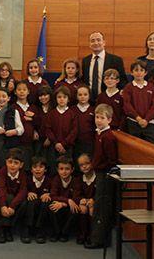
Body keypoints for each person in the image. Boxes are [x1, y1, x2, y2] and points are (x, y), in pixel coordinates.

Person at [85, 104, 118, 249]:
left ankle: (99, 240)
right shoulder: (99, 134)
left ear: (109, 120)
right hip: (99, 173)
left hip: (105, 175)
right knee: (98, 205)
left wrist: (102, 170)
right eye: (97, 117)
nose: (98, 120)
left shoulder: (108, 137)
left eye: (102, 118)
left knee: (102, 207)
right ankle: (96, 237)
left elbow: (111, 160)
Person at [81, 31, 127, 103]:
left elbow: (123, 80)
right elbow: (85, 80)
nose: (96, 43)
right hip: (89, 101)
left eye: (98, 40)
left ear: (104, 42)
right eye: (92, 41)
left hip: (108, 100)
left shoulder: (116, 60)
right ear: (89, 44)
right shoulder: (85, 61)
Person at [123, 60, 154, 143]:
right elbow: (127, 104)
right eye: (136, 70)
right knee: (135, 146)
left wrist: (146, 119)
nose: (139, 73)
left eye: (141, 70)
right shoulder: (128, 87)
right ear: (131, 73)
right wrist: (138, 118)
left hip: (148, 122)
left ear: (145, 73)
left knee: (151, 146)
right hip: (133, 122)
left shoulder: (151, 86)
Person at [0, 148, 28, 244]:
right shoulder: (3, 171)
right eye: (10, 162)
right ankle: (2, 230)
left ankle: (8, 228)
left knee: (24, 203)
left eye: (16, 163)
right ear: (6, 162)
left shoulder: (23, 174)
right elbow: (1, 188)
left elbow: (23, 191)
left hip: (16, 200)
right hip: (6, 198)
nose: (12, 165)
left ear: (21, 165)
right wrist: (3, 206)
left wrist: (12, 206)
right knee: (8, 197)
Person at [44, 86, 78, 173]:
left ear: (68, 99)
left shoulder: (72, 114)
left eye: (64, 97)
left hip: (67, 147)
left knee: (66, 169)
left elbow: (74, 131)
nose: (62, 99)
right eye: (59, 97)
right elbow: (48, 129)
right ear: (55, 99)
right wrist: (56, 143)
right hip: (53, 146)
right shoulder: (51, 113)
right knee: (53, 169)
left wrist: (64, 143)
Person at [48, 156, 79, 242]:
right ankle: (56, 232)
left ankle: (65, 233)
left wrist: (64, 203)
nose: (64, 171)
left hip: (68, 205)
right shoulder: (56, 179)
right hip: (60, 203)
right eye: (61, 169)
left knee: (75, 210)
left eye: (67, 169)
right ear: (57, 170)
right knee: (52, 207)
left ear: (72, 170)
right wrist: (67, 200)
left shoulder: (76, 180)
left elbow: (76, 198)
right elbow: (53, 196)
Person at [21, 157, 51, 244]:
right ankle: (27, 228)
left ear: (45, 169)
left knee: (46, 202)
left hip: (42, 204)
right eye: (35, 167)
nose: (38, 170)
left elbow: (54, 192)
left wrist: (49, 194)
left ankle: (40, 230)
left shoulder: (49, 180)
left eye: (41, 167)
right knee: (31, 200)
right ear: (31, 169)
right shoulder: (27, 179)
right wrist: (28, 193)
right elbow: (23, 189)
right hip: (31, 204)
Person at [13, 81, 40, 171]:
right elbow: (12, 123)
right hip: (17, 143)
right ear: (15, 92)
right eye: (19, 89)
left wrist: (33, 118)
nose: (21, 92)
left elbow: (38, 123)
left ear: (28, 92)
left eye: (24, 90)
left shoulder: (33, 107)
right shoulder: (12, 107)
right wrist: (24, 119)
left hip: (30, 143)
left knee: (29, 167)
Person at [73, 154, 96, 245]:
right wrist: (81, 200)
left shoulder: (98, 177)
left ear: (92, 163)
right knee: (83, 209)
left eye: (87, 163)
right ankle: (83, 235)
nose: (84, 166)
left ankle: (92, 235)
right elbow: (76, 194)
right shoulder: (79, 179)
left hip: (95, 202)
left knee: (91, 209)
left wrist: (93, 200)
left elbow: (100, 194)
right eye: (81, 165)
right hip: (85, 202)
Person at [73, 85, 95, 162]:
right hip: (75, 144)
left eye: (85, 94)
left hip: (89, 143)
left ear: (89, 96)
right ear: (76, 96)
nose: (83, 97)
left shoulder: (94, 110)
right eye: (80, 95)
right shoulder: (72, 110)